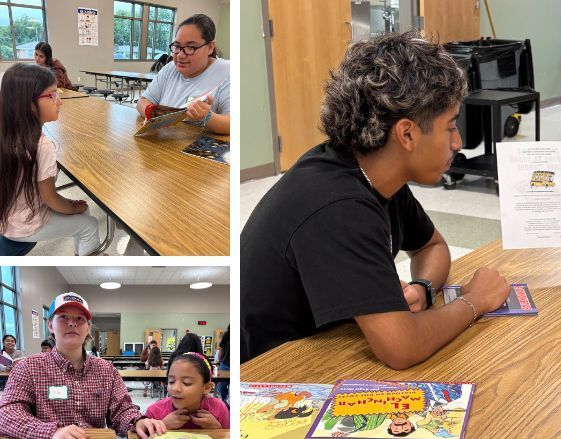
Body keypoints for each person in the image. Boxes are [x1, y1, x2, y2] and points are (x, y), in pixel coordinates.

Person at [241, 31, 510, 368]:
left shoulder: (376, 170)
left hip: (327, 343)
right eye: (450, 126)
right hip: (275, 371)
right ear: (407, 134)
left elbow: (432, 247)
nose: (457, 142)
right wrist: (475, 301)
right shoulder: (338, 206)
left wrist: (423, 288)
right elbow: (402, 348)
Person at [0, 291, 166, 439]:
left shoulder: (106, 370)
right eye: (63, 317)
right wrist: (50, 432)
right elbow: (6, 414)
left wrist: (136, 421)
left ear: (88, 328)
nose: (72, 323)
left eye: (79, 318)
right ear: (50, 325)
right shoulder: (28, 367)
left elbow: (121, 409)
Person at [0, 64, 101, 255]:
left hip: (9, 216)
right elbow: (48, 197)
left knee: (84, 211)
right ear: (30, 105)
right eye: (53, 95)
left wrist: (72, 206)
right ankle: (85, 256)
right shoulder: (41, 146)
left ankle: (81, 255)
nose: (60, 102)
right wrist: (70, 208)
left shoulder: (8, 135)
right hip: (23, 225)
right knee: (90, 226)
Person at [137, 14, 229, 134]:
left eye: (190, 47)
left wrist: (207, 117)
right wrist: (153, 113)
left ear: (210, 47)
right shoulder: (170, 68)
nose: (180, 55)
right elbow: (142, 101)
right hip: (162, 144)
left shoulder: (227, 72)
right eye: (177, 46)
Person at [145, 351, 229, 429]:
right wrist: (162, 426)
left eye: (187, 383)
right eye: (171, 382)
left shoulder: (219, 409)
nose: (175, 388)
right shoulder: (154, 412)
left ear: (206, 388)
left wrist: (218, 429)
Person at [215, 324, 229, 405]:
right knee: (221, 385)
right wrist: (219, 360)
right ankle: (224, 402)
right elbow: (221, 349)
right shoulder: (227, 335)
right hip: (225, 363)